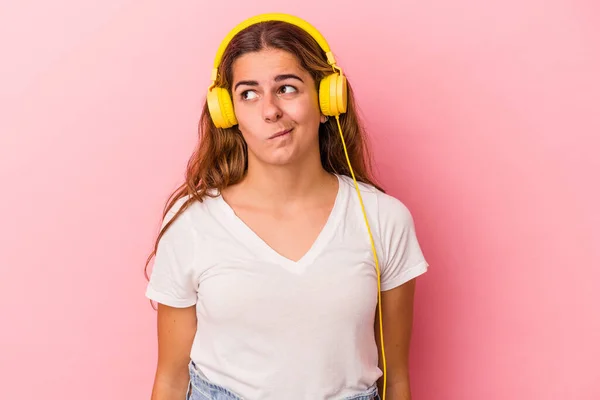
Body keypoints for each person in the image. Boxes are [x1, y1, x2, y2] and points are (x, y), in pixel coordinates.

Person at [144, 13, 429, 400]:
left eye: (288, 88)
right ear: (227, 114)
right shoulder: (193, 223)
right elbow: (171, 380)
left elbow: (395, 380)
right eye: (248, 93)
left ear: (328, 99)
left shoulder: (383, 219)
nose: (270, 110)